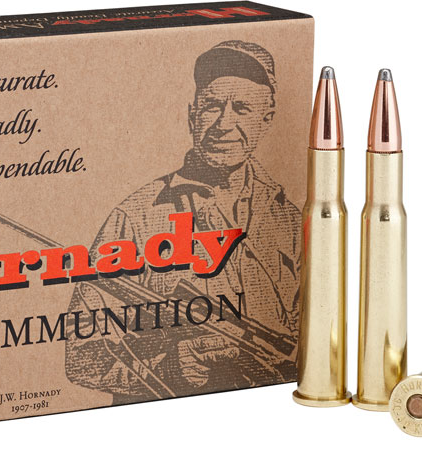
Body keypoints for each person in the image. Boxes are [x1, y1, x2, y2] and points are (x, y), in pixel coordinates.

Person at [65, 41, 301, 404]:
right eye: (212, 107)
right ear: (192, 116)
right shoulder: (136, 217)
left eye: (241, 109)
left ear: (266, 120)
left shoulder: (289, 218)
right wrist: (167, 368)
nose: (224, 124)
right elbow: (82, 357)